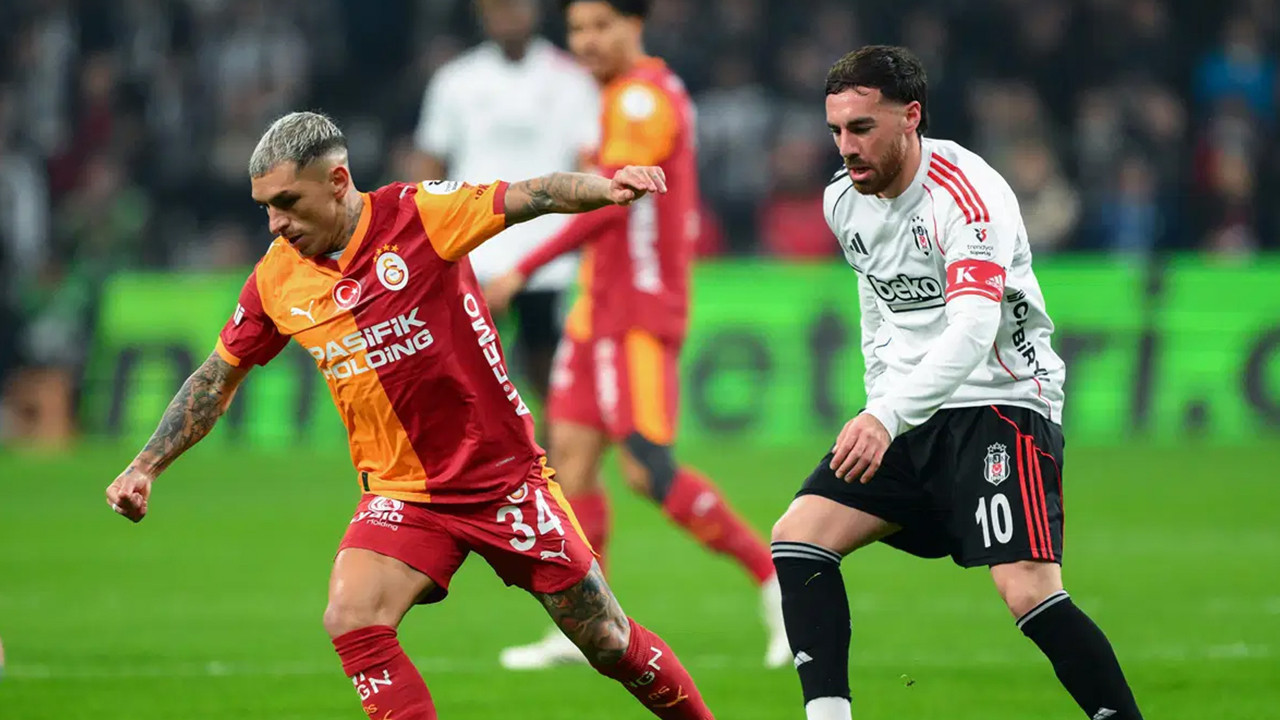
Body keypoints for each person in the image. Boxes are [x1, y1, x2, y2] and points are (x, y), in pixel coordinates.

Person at [105, 111, 715, 720]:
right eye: (265, 207)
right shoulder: (275, 279)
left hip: (502, 481)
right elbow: (216, 378)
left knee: (607, 641)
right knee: (352, 617)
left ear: (337, 181)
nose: (276, 223)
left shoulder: (420, 214)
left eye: (287, 202)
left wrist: (606, 187)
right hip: (403, 494)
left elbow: (535, 193)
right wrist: (145, 466)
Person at [770, 46, 1145, 720]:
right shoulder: (842, 201)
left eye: (862, 128)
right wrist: (882, 400)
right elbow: (876, 305)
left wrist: (884, 416)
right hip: (909, 410)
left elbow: (974, 329)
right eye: (836, 130)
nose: (846, 147)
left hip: (1000, 401)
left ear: (911, 117)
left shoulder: (968, 195)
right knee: (799, 538)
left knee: (1027, 591)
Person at [485, 0, 787, 670]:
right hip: (596, 310)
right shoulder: (618, 98)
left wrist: (521, 269)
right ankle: (592, 624)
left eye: (601, 26)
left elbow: (611, 204)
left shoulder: (643, 99)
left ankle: (776, 581)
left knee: (647, 469)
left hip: (637, 313)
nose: (587, 41)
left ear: (635, 24)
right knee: (569, 462)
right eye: (577, 30)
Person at [412, 0, 599, 409]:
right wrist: (425, 237)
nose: (506, 16)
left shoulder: (571, 80)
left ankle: (553, 447)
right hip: (475, 250)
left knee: (550, 375)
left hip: (547, 255)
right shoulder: (456, 80)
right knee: (466, 370)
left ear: (535, 10)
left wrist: (586, 234)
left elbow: (588, 164)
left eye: (514, 7)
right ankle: (476, 447)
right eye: (496, 9)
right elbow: (429, 163)